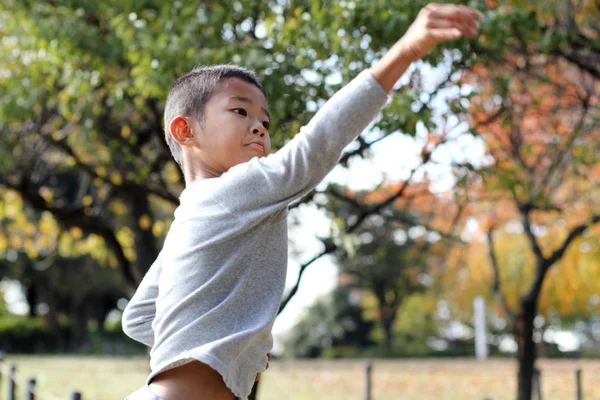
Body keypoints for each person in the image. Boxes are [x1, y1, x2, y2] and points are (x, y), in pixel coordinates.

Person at [122, 4, 481, 400]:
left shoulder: (190, 213)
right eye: (240, 110)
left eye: (265, 120)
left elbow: (138, 317)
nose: (259, 124)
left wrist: (240, 343)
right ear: (185, 131)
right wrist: (405, 52)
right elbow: (318, 144)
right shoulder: (239, 187)